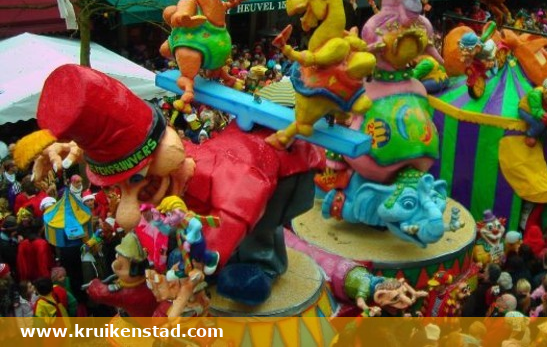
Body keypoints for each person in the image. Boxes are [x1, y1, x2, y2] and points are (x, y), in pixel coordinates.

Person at [14, 64, 324, 307]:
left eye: (137, 181)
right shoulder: (175, 162)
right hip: (231, 164)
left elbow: (234, 216)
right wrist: (80, 148)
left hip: (286, 170)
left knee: (261, 225)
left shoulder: (236, 176)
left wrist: (204, 259)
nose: (127, 215)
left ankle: (264, 265)